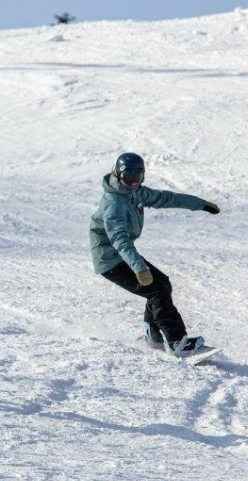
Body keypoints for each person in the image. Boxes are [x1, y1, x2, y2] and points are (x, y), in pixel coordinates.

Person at [89, 152, 220, 356]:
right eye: (128, 178)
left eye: (138, 178)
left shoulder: (135, 192)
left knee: (162, 284)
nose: (133, 183)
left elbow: (164, 198)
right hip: (110, 259)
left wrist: (199, 204)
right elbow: (120, 240)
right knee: (156, 290)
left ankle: (154, 335)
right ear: (117, 174)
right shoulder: (114, 203)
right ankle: (176, 342)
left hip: (122, 255)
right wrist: (139, 268)